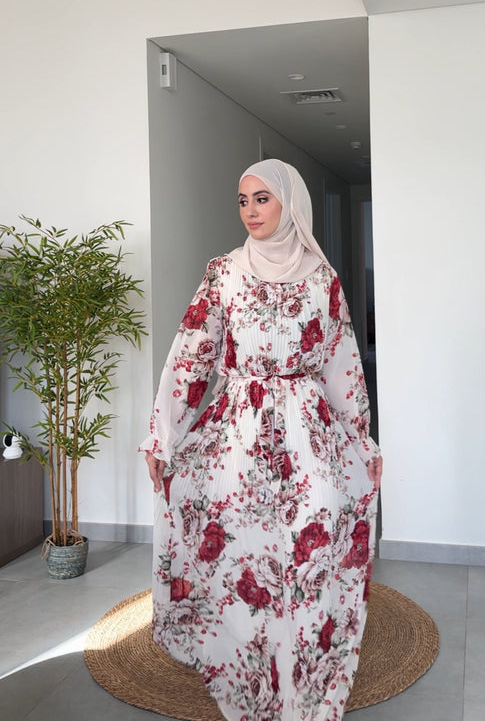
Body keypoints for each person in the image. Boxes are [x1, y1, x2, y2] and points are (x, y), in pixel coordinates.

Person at [141, 159, 382, 721]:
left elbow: (342, 366)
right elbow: (192, 355)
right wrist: (163, 436)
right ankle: (244, 656)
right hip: (236, 426)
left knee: (314, 531)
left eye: (262, 199)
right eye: (242, 200)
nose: (250, 211)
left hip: (308, 427)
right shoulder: (223, 272)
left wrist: (362, 442)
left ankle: (299, 655)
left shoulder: (322, 280)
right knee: (238, 540)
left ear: (290, 204)